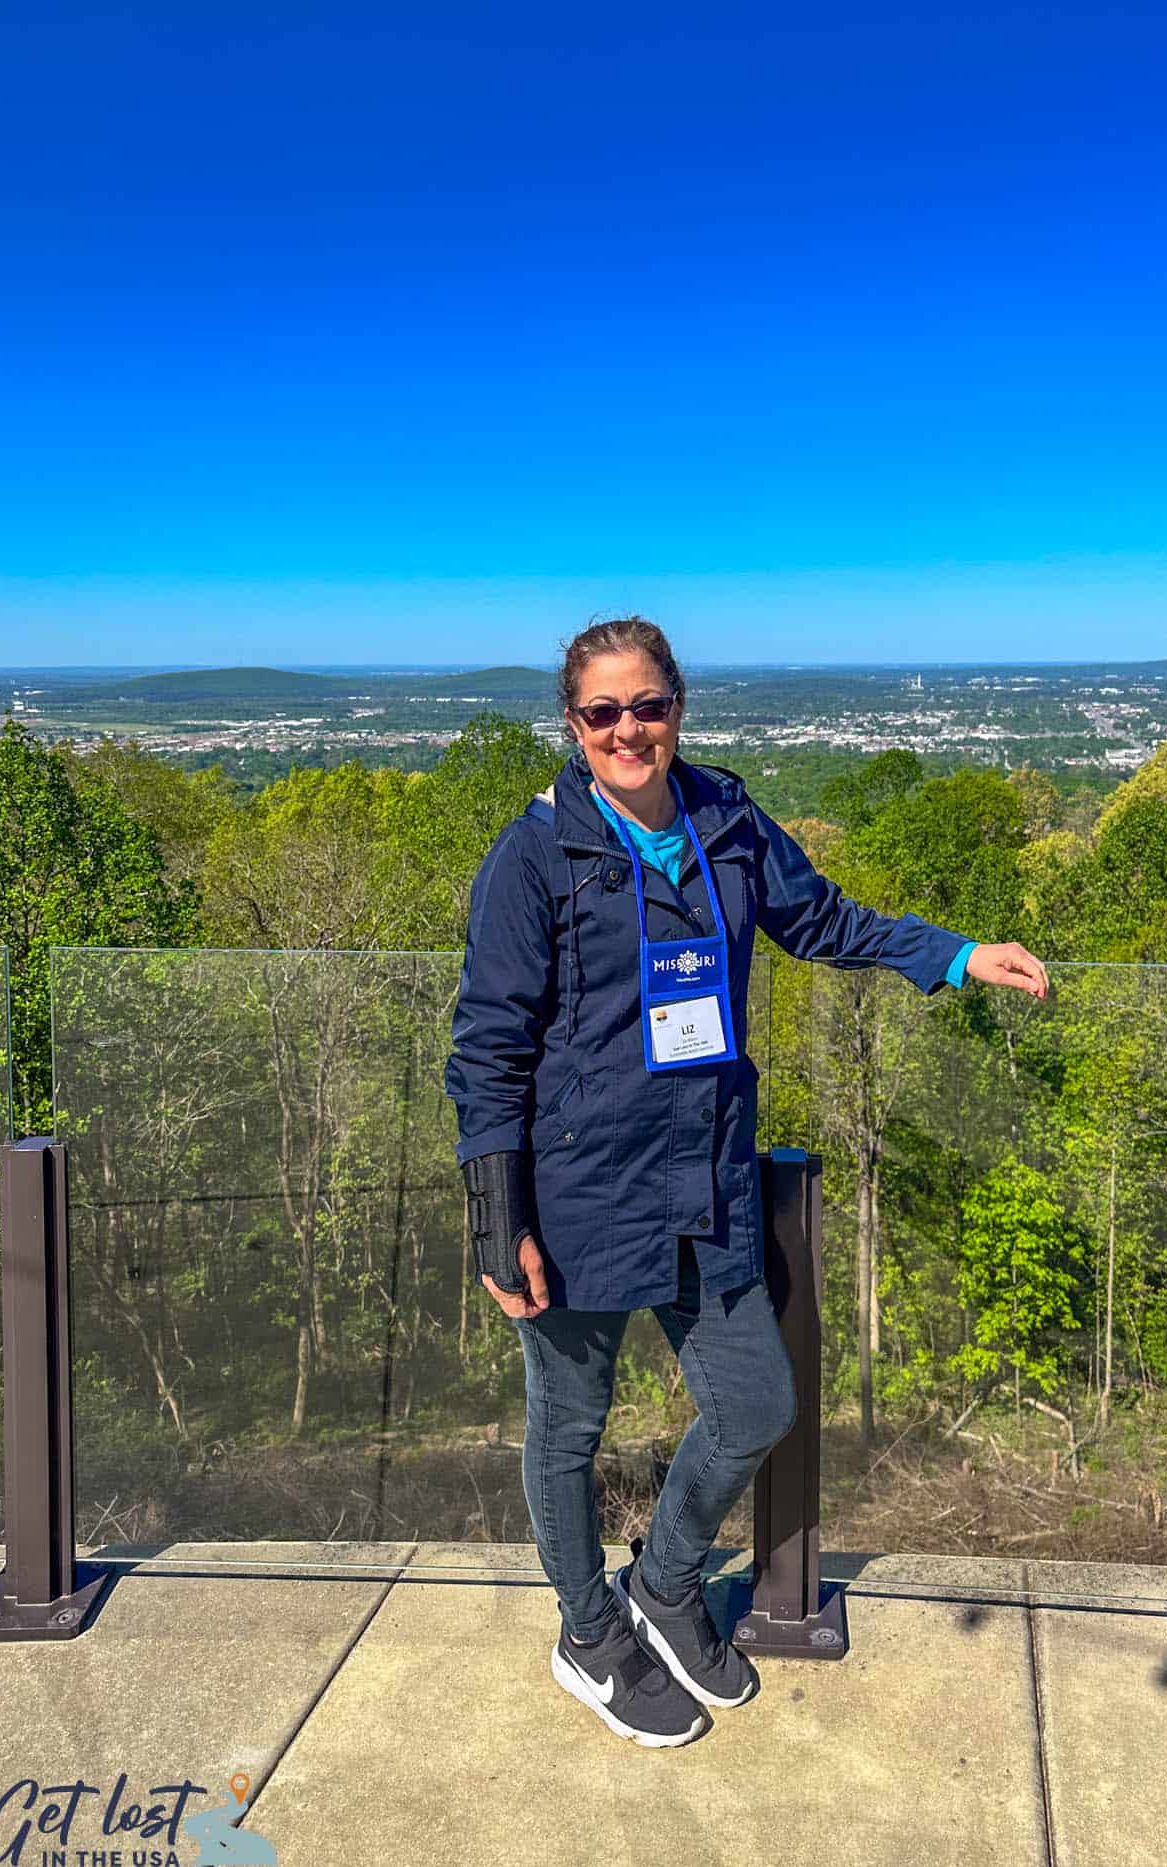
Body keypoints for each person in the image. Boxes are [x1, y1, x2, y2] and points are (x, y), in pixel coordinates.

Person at [445, 617, 1048, 1748]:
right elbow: (486, 1045)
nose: (629, 729)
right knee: (567, 1426)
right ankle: (588, 1631)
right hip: (575, 1191)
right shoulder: (533, 857)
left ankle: (664, 1585)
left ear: (678, 706)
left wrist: (955, 954)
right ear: (571, 726)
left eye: (648, 705)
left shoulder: (724, 815)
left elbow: (817, 917)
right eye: (602, 712)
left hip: (705, 1175)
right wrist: (498, 1215)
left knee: (756, 1403)